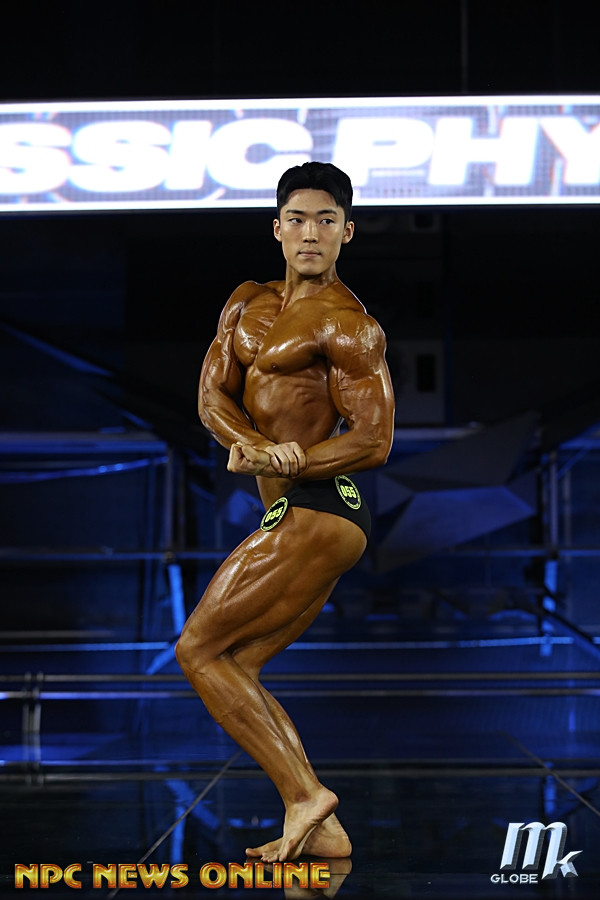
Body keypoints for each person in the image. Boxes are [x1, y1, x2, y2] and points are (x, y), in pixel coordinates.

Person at [175, 161, 395, 863]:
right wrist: (256, 447)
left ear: (346, 233)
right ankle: (320, 825)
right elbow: (212, 398)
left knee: (197, 650)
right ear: (277, 229)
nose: (310, 233)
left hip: (322, 506)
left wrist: (293, 461)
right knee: (233, 663)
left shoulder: (350, 326)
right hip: (293, 508)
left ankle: (305, 794)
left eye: (326, 221)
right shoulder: (245, 303)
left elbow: (375, 440)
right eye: (298, 219)